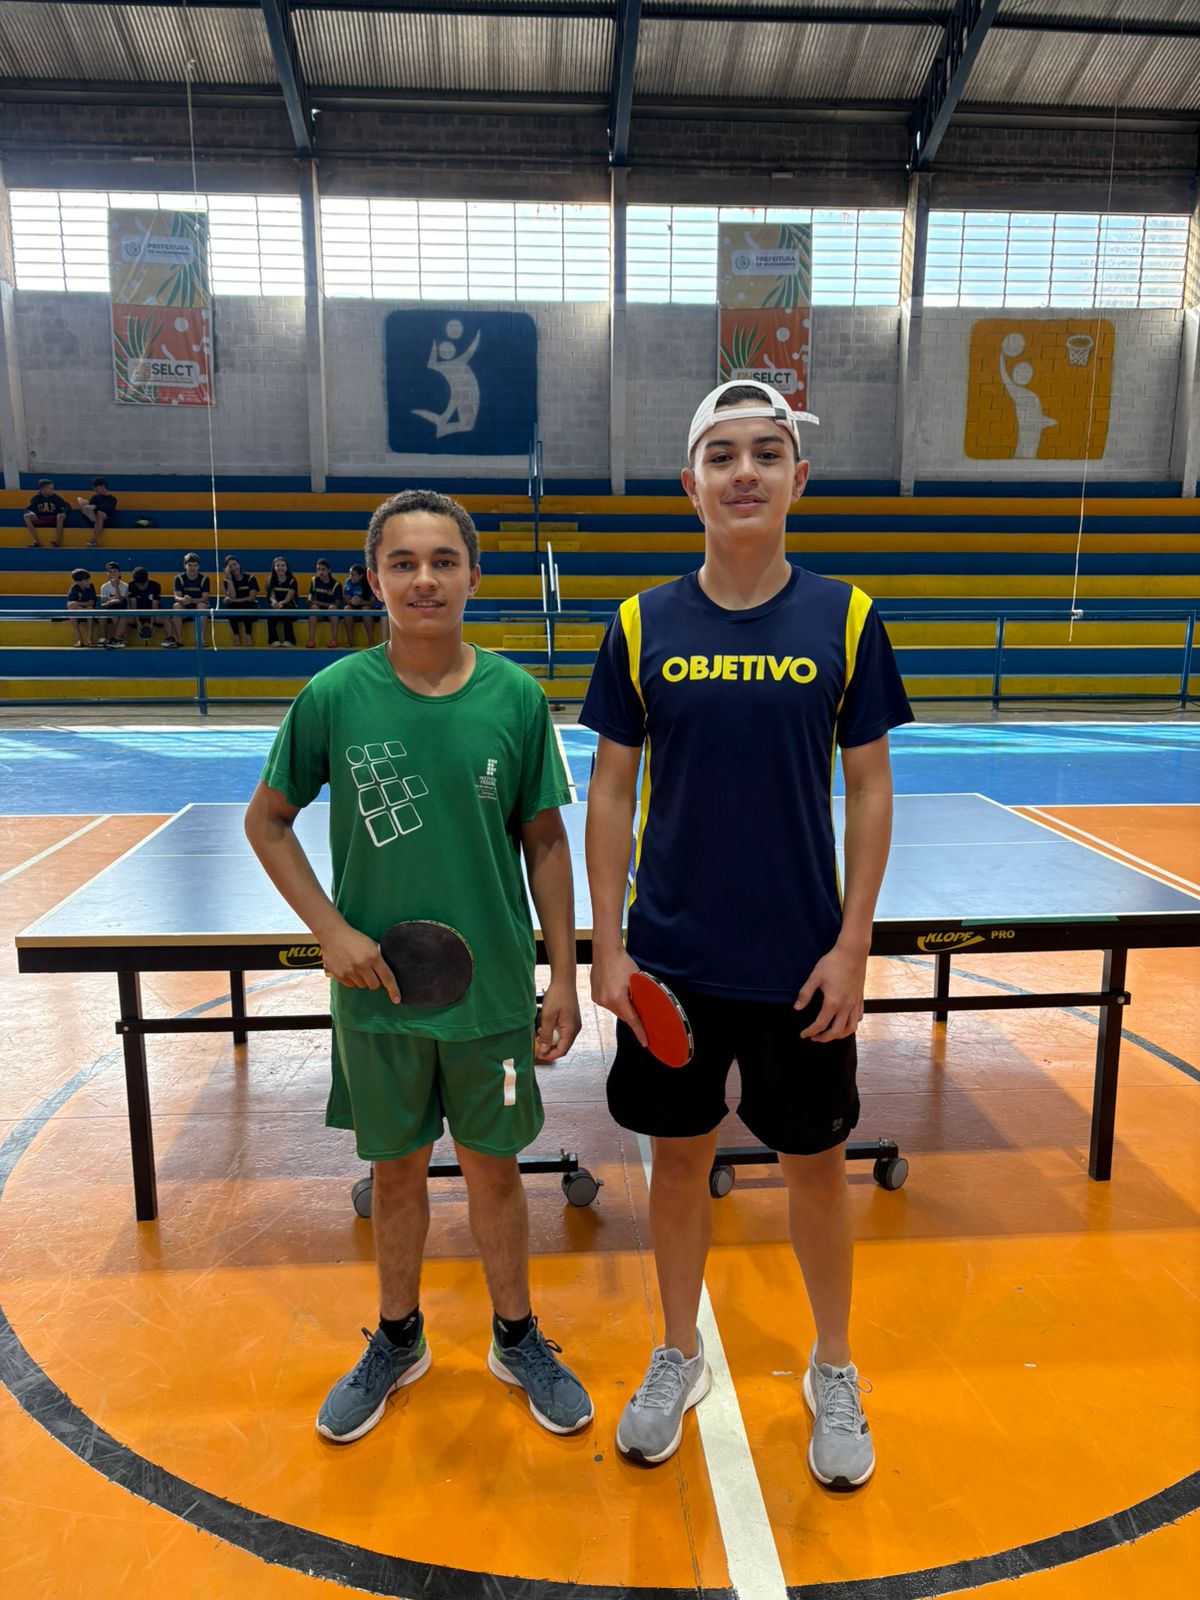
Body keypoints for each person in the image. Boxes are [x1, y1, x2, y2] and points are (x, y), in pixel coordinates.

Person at [582, 379, 913, 1488]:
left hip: (799, 961)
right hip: (672, 961)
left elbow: (870, 787)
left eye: (766, 454)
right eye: (722, 456)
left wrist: (853, 943)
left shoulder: (847, 618)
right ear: (690, 484)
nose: (744, 472)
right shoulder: (640, 623)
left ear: (797, 480)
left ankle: (834, 1366)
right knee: (679, 1164)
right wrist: (608, 946)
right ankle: (678, 1352)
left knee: (815, 1167)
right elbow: (610, 791)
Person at [244, 488, 591, 1446]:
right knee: (393, 1175)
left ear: (474, 575)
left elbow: (546, 843)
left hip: (491, 997)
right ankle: (398, 1340)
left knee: (494, 1171)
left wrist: (563, 977)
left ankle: (516, 1338)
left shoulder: (516, 698)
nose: (424, 579)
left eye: (443, 561)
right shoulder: (333, 697)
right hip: (377, 996)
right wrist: (331, 932)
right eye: (403, 562)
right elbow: (267, 823)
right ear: (375, 579)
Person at [170, 552, 211, 646]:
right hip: (185, 606)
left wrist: (192, 600)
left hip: (198, 606)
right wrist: (183, 600)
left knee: (202, 606)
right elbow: (177, 597)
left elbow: (205, 598)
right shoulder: (178, 578)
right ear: (185, 566)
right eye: (190, 565)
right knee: (176, 606)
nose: (192, 568)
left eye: (195, 565)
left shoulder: (204, 579)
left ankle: (201, 639)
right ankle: (179, 638)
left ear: (199, 566)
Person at [306, 558, 347, 649]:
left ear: (329, 570)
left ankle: (334, 640)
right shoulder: (314, 581)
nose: (320, 572)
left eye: (323, 569)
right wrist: (311, 600)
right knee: (314, 608)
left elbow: (336, 604)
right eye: (318, 569)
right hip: (319, 613)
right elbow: (310, 597)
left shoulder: (336, 584)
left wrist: (317, 602)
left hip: (330, 613)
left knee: (333, 608)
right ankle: (311, 640)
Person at [222, 555, 261, 646]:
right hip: (235, 607)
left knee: (246, 607)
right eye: (230, 566)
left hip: (250, 606)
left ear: (239, 564)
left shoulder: (250, 578)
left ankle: (248, 635)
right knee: (230, 608)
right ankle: (236, 636)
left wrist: (234, 600)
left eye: (235, 564)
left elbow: (252, 598)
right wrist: (229, 579)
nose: (233, 567)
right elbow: (232, 596)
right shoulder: (226, 581)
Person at [343, 562, 381, 647]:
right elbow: (346, 600)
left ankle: (371, 641)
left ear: (361, 576)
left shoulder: (368, 583)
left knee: (365, 609)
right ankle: (350, 640)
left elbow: (373, 603)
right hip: (355, 611)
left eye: (353, 575)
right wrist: (351, 601)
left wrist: (361, 602)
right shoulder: (348, 582)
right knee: (347, 609)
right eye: (350, 574)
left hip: (369, 610)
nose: (351, 577)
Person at [24, 479, 69, 549]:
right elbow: (28, 509)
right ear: (43, 489)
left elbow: (67, 505)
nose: (52, 490)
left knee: (60, 516)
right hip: (40, 519)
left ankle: (57, 542)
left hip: (53, 519)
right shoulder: (36, 498)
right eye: (50, 489)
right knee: (26, 516)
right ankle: (36, 542)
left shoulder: (55, 497)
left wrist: (64, 513)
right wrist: (31, 513)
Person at [265, 556, 299, 647]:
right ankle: (273, 640)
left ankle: (289, 640)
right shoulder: (270, 580)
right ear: (274, 567)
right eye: (278, 565)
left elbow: (288, 598)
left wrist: (282, 603)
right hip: (276, 607)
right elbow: (272, 596)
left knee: (286, 610)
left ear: (286, 567)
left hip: (288, 606)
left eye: (283, 565)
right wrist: (274, 603)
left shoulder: (292, 581)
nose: (280, 568)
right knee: (270, 611)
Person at [76, 478, 118, 548]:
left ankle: (94, 540)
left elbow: (107, 507)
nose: (95, 490)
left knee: (100, 513)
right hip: (94, 520)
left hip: (107, 521)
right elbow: (90, 506)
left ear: (102, 486)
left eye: (96, 487)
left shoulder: (112, 498)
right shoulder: (95, 497)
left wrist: (95, 507)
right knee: (82, 503)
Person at [97, 561, 131, 649]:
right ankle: (103, 638)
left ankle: (119, 639)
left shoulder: (125, 586)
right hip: (110, 608)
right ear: (107, 574)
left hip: (122, 609)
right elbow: (103, 604)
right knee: (103, 616)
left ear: (119, 573)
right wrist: (110, 602)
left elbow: (119, 600)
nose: (113, 574)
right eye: (110, 572)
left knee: (115, 615)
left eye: (115, 571)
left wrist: (116, 586)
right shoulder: (104, 587)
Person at [127, 566, 163, 644]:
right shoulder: (131, 585)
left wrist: (151, 623)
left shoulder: (155, 586)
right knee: (123, 619)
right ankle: (117, 639)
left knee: (166, 619)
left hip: (152, 614)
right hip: (137, 614)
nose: (141, 587)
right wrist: (138, 622)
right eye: (139, 585)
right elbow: (133, 606)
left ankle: (170, 639)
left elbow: (155, 607)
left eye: (143, 584)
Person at [65, 567, 97, 648]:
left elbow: (91, 603)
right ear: (78, 582)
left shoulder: (91, 587)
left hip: (89, 612)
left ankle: (89, 639)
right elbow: (69, 604)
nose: (89, 582)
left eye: (89, 580)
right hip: (79, 611)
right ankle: (79, 639)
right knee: (71, 611)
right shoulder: (74, 588)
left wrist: (77, 603)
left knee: (90, 609)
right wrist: (78, 606)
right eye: (86, 580)